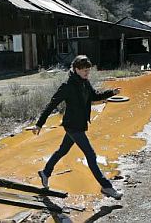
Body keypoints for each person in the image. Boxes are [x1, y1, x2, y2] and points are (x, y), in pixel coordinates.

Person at [32, 55, 123, 200]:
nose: (88, 73)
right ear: (76, 69)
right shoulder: (67, 86)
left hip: (79, 125)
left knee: (62, 150)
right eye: (85, 70)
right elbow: (51, 105)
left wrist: (111, 92)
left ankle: (45, 172)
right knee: (91, 155)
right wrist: (39, 124)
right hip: (73, 126)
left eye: (89, 70)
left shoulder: (84, 83)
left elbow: (94, 96)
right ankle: (106, 187)